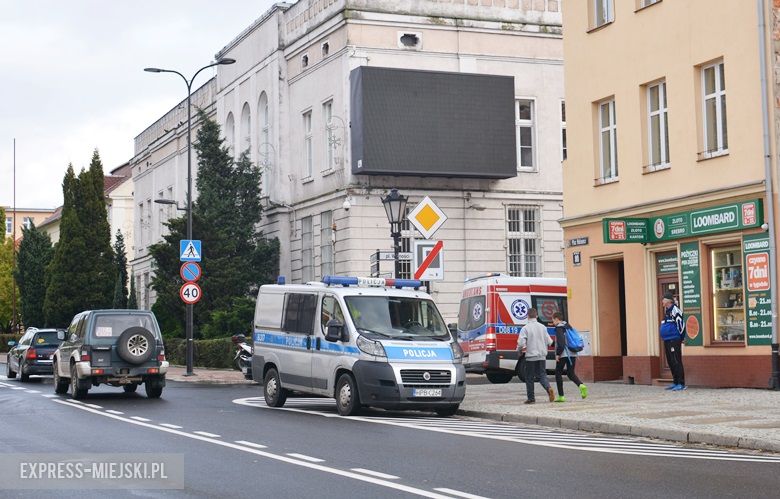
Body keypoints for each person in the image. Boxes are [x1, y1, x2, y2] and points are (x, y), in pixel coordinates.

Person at [517, 308, 555, 404]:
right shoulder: (543, 327)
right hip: (542, 356)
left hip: (531, 357)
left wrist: (519, 350)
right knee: (542, 375)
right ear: (537, 316)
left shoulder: (525, 328)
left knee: (529, 377)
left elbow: (521, 343)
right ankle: (548, 388)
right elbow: (550, 341)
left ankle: (531, 398)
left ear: (527, 316)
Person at [552, 312, 588, 402]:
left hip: (564, 354)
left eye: (553, 320)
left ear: (556, 319)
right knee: (570, 373)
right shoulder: (568, 326)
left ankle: (561, 396)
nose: (553, 322)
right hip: (573, 352)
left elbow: (561, 343)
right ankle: (581, 385)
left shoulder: (559, 328)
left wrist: (558, 354)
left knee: (558, 373)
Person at [660, 292, 686, 391]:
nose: (662, 301)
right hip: (667, 339)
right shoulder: (667, 311)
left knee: (676, 360)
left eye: (663, 299)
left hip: (674, 339)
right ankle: (675, 381)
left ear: (668, 301)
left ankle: (681, 383)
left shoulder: (675, 310)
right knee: (670, 361)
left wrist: (681, 337)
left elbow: (681, 325)